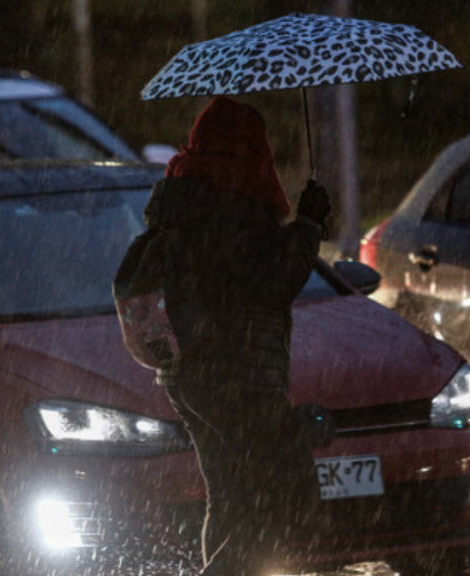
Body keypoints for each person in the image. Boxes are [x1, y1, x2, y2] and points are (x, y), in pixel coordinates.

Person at [144, 95, 332, 576]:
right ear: (251, 145)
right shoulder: (237, 197)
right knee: (280, 502)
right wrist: (308, 224)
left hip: (188, 375)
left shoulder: (181, 198)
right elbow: (272, 283)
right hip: (242, 376)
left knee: (229, 499)